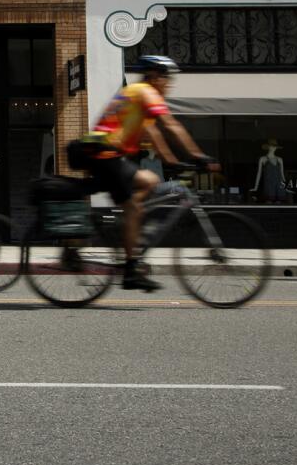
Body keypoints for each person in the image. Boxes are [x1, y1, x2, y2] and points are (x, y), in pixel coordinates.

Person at [75, 56, 219, 291]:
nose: (168, 83)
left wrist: (171, 162)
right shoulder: (145, 91)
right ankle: (131, 271)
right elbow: (171, 125)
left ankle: (126, 225)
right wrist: (198, 156)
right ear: (153, 75)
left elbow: (153, 134)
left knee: (150, 181)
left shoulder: (135, 95)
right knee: (133, 205)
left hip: (106, 154)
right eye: (166, 78)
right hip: (105, 154)